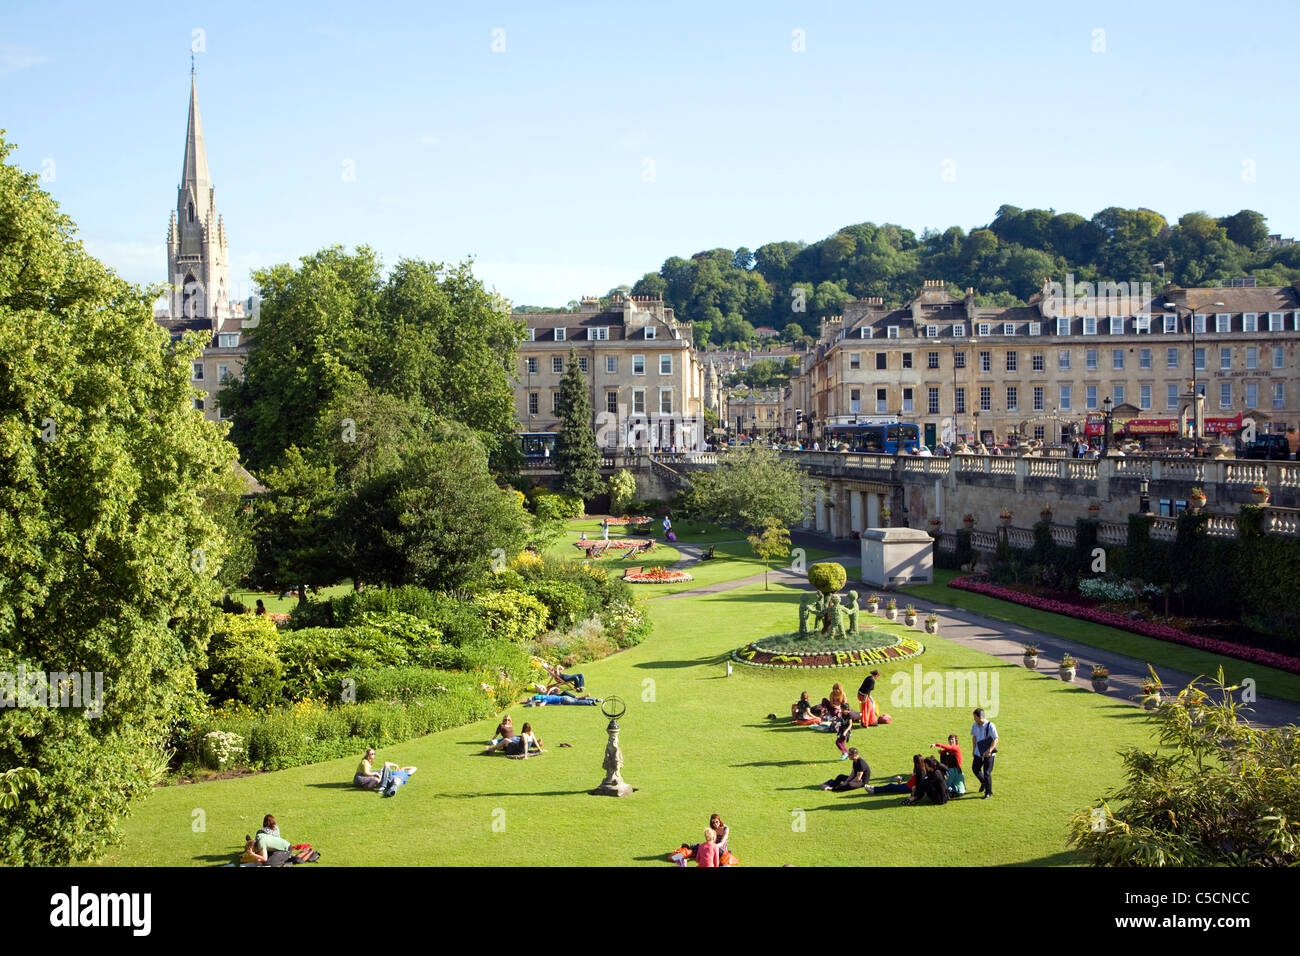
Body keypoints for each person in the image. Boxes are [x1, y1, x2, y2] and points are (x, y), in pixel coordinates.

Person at [971, 708, 999, 799]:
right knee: (975, 769)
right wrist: (974, 749)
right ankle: (983, 782)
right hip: (978, 752)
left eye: (975, 716)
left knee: (987, 772)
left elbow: (996, 739)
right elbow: (974, 737)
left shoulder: (990, 725)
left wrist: (990, 750)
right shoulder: (975, 725)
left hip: (988, 754)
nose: (974, 718)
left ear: (980, 717)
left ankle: (988, 792)